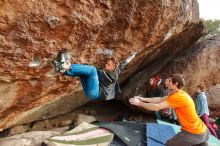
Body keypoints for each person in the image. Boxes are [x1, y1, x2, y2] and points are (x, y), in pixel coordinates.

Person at [129, 74, 209, 146]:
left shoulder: (178, 97)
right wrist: (142, 99)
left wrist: (139, 104)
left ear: (176, 84)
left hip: (193, 133)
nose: (166, 82)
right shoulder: (177, 93)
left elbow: (157, 107)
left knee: (169, 144)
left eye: (169, 81)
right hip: (202, 130)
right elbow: (160, 99)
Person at [52, 50, 137, 100]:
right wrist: (132, 55)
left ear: (114, 68)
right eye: (106, 63)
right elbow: (123, 63)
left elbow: (120, 65)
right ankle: (62, 70)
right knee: (84, 73)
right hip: (90, 94)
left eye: (108, 64)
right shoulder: (105, 71)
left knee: (92, 69)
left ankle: (66, 66)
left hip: (95, 93)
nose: (105, 65)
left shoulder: (114, 75)